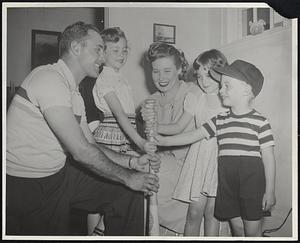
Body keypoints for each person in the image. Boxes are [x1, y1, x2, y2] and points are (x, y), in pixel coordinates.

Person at [6, 21, 160, 236]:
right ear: (76, 48)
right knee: (129, 183)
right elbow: (81, 151)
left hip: (58, 176)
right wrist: (129, 177)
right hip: (24, 186)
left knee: (127, 193)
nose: (103, 56)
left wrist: (132, 162)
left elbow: (91, 145)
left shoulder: (74, 93)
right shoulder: (48, 78)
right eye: (98, 48)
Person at [154, 59, 277, 237]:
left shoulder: (260, 122)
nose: (220, 90)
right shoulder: (220, 120)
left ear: (246, 89)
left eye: (226, 86)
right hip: (227, 185)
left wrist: (270, 191)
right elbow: (193, 135)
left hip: (251, 183)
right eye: (221, 85)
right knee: (237, 227)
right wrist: (163, 141)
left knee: (251, 231)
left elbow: (268, 158)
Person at [88, 27, 156, 235]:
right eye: (115, 50)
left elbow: (128, 116)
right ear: (102, 53)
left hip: (124, 137)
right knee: (102, 193)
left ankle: (102, 230)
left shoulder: (120, 78)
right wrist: (140, 142)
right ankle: (93, 233)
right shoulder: (105, 79)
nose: (121, 55)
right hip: (111, 137)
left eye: (124, 50)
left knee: (117, 192)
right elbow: (119, 115)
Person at [158, 49, 228, 236]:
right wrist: (155, 128)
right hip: (200, 159)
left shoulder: (228, 102)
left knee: (213, 214)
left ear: (221, 74)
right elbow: (178, 127)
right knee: (194, 212)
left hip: (221, 160)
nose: (204, 81)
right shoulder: (196, 99)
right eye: (200, 76)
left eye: (209, 76)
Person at [140, 42, 202, 235]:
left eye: (167, 71)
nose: (161, 78)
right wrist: (145, 123)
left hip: (191, 165)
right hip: (165, 162)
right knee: (135, 167)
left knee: (144, 173)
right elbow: (150, 142)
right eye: (156, 71)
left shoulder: (193, 92)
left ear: (179, 69)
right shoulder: (150, 101)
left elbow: (181, 131)